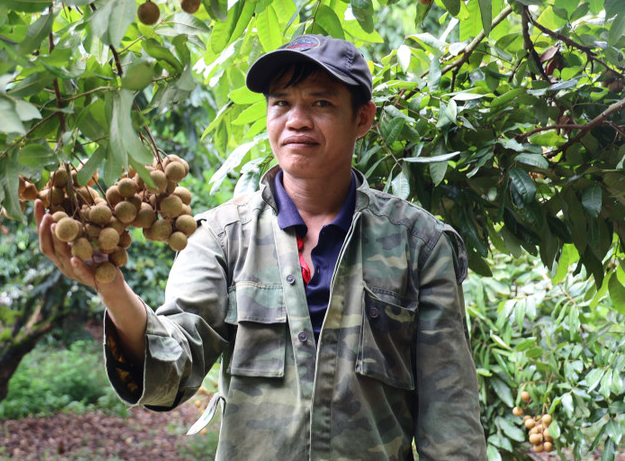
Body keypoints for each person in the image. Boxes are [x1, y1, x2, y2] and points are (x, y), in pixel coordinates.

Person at [37, 34, 487, 460]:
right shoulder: (220, 236)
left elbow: (450, 410)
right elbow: (172, 370)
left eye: (321, 103)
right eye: (281, 103)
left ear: (363, 119)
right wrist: (111, 286)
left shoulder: (418, 243)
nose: (297, 120)